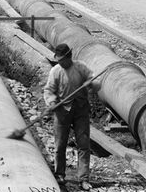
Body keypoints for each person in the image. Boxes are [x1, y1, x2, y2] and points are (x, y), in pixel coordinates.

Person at [43, 44, 93, 190]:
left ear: (69, 57)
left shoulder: (81, 67)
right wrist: (52, 101)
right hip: (62, 111)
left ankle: (83, 178)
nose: (60, 62)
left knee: (83, 145)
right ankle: (60, 175)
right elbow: (49, 90)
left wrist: (91, 83)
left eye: (62, 60)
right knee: (60, 145)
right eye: (58, 60)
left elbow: (95, 82)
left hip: (81, 111)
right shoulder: (56, 71)